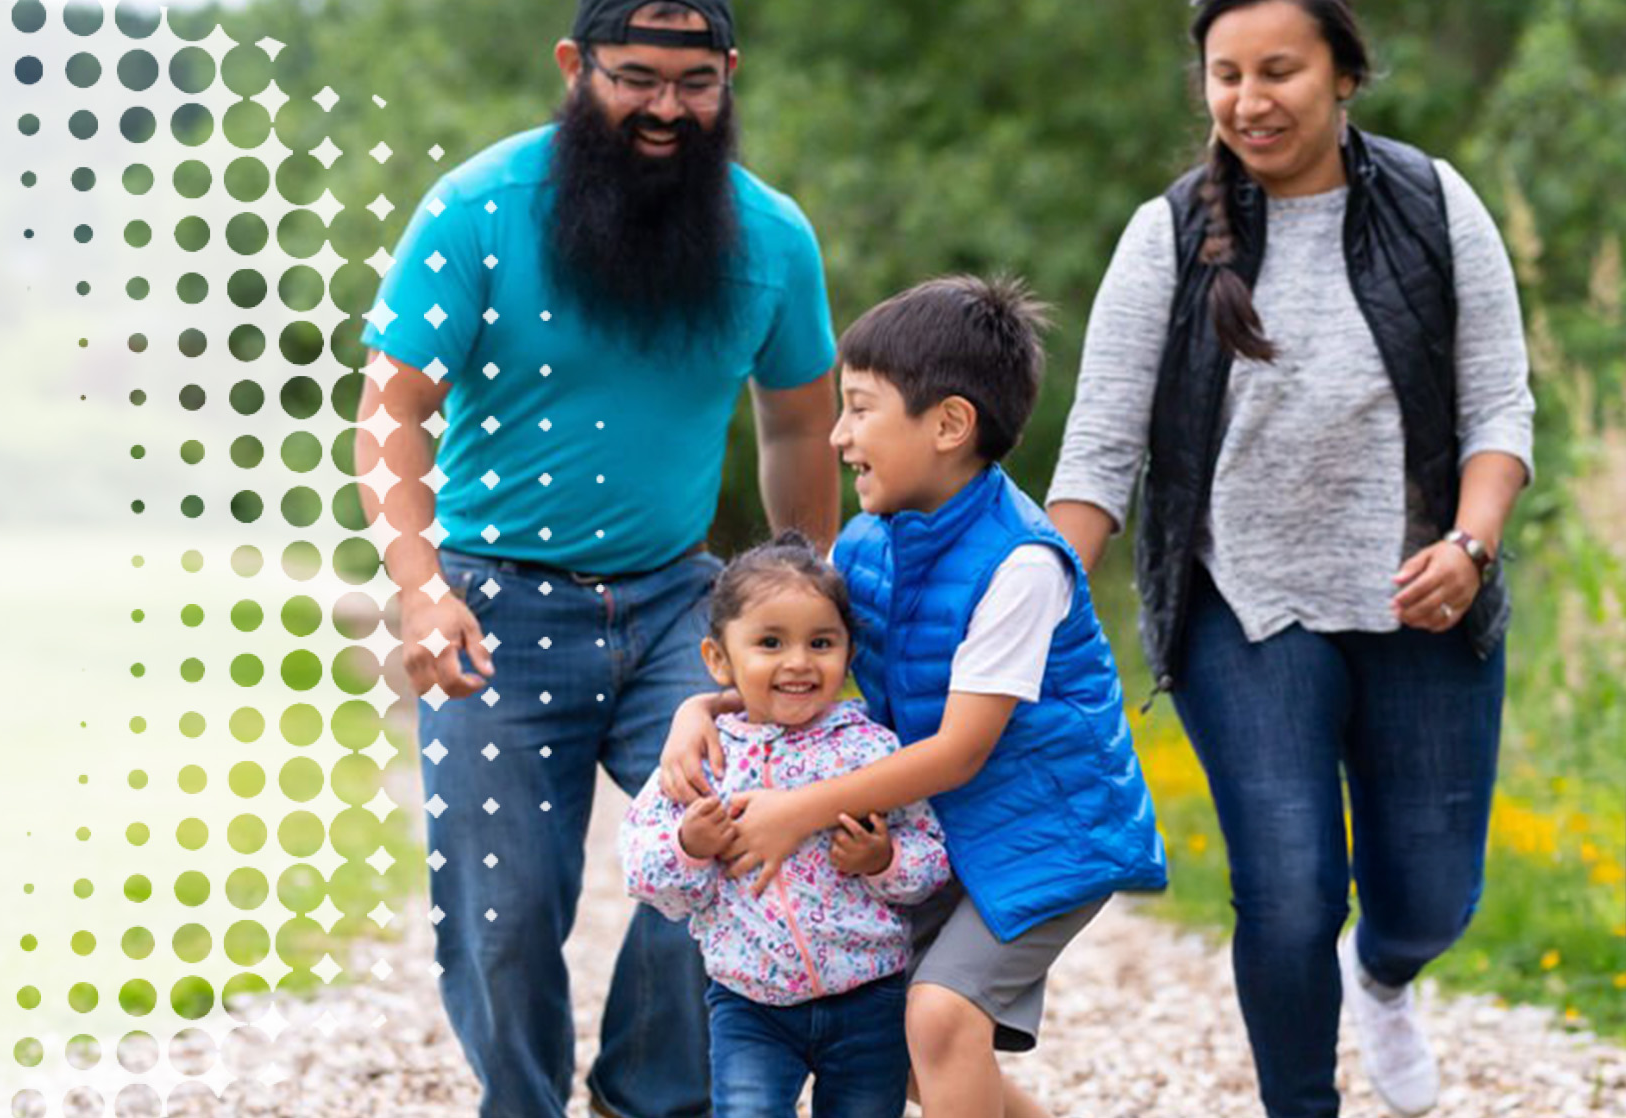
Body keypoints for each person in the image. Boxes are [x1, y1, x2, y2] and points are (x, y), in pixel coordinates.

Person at [1043, 1, 1536, 1114]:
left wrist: (1469, 543)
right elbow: (1101, 447)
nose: (1249, 100)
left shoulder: (1433, 203)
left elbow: (1500, 406)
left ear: (1344, 75)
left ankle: (1387, 975)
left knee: (1427, 898)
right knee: (1289, 889)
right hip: (1242, 607)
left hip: (1424, 596)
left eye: (1279, 71)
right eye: (1226, 75)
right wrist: (1032, 599)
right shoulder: (1166, 233)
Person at [350, 0, 843, 1111]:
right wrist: (419, 589)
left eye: (695, 81)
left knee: (729, 840)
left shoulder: (773, 239)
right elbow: (389, 414)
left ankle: (647, 1095)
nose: (667, 108)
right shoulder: (477, 208)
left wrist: (803, 598)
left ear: (729, 74)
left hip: (683, 604)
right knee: (504, 906)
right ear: (575, 68)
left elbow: (800, 428)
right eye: (635, 77)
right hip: (490, 603)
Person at [658, 276, 1168, 1118]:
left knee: (937, 1016)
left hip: (1051, 831)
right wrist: (696, 712)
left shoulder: (1022, 566)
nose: (837, 435)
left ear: (949, 424)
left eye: (859, 409)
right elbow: (797, 674)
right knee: (894, 1034)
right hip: (949, 825)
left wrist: (798, 810)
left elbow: (961, 749)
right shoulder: (866, 544)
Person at [621, 536, 951, 1118]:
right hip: (749, 1005)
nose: (798, 661)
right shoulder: (702, 757)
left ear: (849, 655)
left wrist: (882, 861)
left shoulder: (871, 752)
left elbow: (930, 861)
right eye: (770, 643)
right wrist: (689, 846)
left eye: (821, 642)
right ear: (719, 660)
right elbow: (646, 876)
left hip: (868, 994)